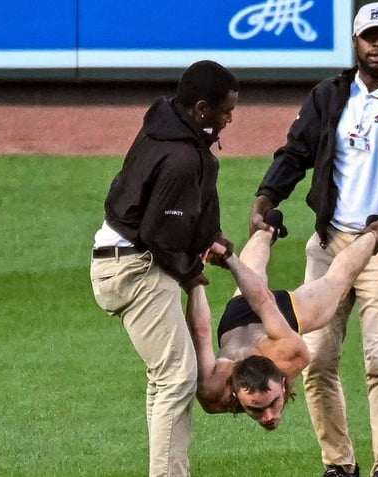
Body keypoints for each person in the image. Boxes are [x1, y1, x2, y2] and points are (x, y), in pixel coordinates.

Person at [248, 3, 378, 476]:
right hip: (329, 245)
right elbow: (296, 151)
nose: (376, 44)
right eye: (369, 36)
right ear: (356, 41)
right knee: (315, 361)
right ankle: (338, 465)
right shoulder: (328, 97)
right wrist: (267, 194)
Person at [88, 59, 238, 477]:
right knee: (178, 376)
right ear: (203, 109)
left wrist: (211, 234)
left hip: (125, 258)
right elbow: (159, 233)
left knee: (166, 376)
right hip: (135, 267)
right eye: (225, 110)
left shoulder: (170, 122)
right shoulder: (180, 157)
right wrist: (191, 271)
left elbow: (186, 208)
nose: (230, 118)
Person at [185, 211, 378, 430]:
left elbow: (263, 302)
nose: (268, 416)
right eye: (256, 408)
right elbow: (201, 331)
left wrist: (216, 264)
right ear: (235, 393)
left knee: (336, 284)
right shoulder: (214, 391)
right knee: (253, 271)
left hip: (279, 315)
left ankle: (374, 235)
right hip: (239, 319)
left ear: (283, 383)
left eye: (272, 403)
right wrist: (199, 274)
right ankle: (266, 230)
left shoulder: (291, 354)